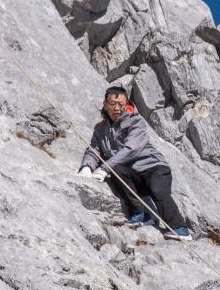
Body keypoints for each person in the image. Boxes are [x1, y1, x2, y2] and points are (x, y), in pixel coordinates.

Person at [78, 86, 193, 242]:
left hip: (154, 167)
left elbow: (131, 149)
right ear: (105, 104)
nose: (117, 108)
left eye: (121, 104)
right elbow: (93, 151)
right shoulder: (100, 129)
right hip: (133, 174)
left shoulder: (136, 122)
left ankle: (180, 228)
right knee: (117, 171)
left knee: (157, 189)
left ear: (126, 105)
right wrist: (87, 167)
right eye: (113, 104)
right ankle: (141, 214)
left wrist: (105, 168)